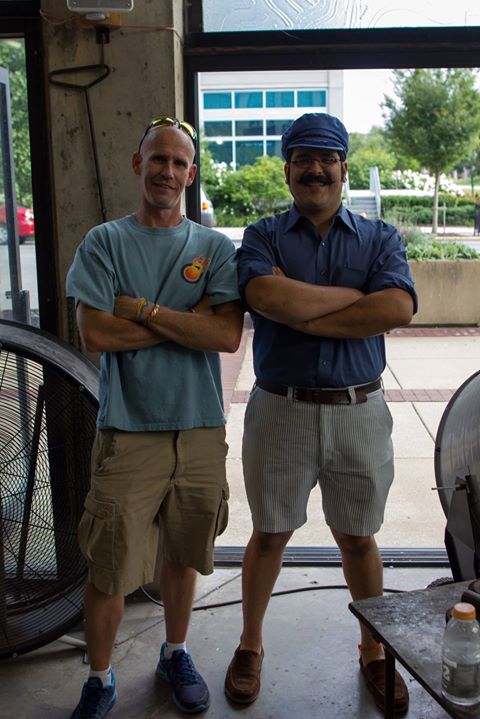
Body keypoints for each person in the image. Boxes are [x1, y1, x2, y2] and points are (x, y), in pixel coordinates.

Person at [224, 112, 417, 715]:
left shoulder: (380, 237)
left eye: (326, 158)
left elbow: (398, 308)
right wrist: (356, 302)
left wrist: (299, 311)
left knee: (358, 538)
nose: (315, 169)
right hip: (280, 410)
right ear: (287, 170)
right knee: (270, 534)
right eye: (303, 158)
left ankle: (373, 649)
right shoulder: (262, 235)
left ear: (344, 168)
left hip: (359, 411)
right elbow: (262, 295)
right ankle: (250, 645)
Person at [66, 115, 244, 718]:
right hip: (128, 430)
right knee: (110, 566)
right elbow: (95, 334)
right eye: (158, 159)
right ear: (138, 164)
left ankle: (175, 652)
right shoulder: (104, 243)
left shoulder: (214, 248)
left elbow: (224, 335)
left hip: (199, 429)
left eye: (179, 163)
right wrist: (185, 321)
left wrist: (140, 310)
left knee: (184, 553)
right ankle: (99, 678)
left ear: (191, 176)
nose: (168, 170)